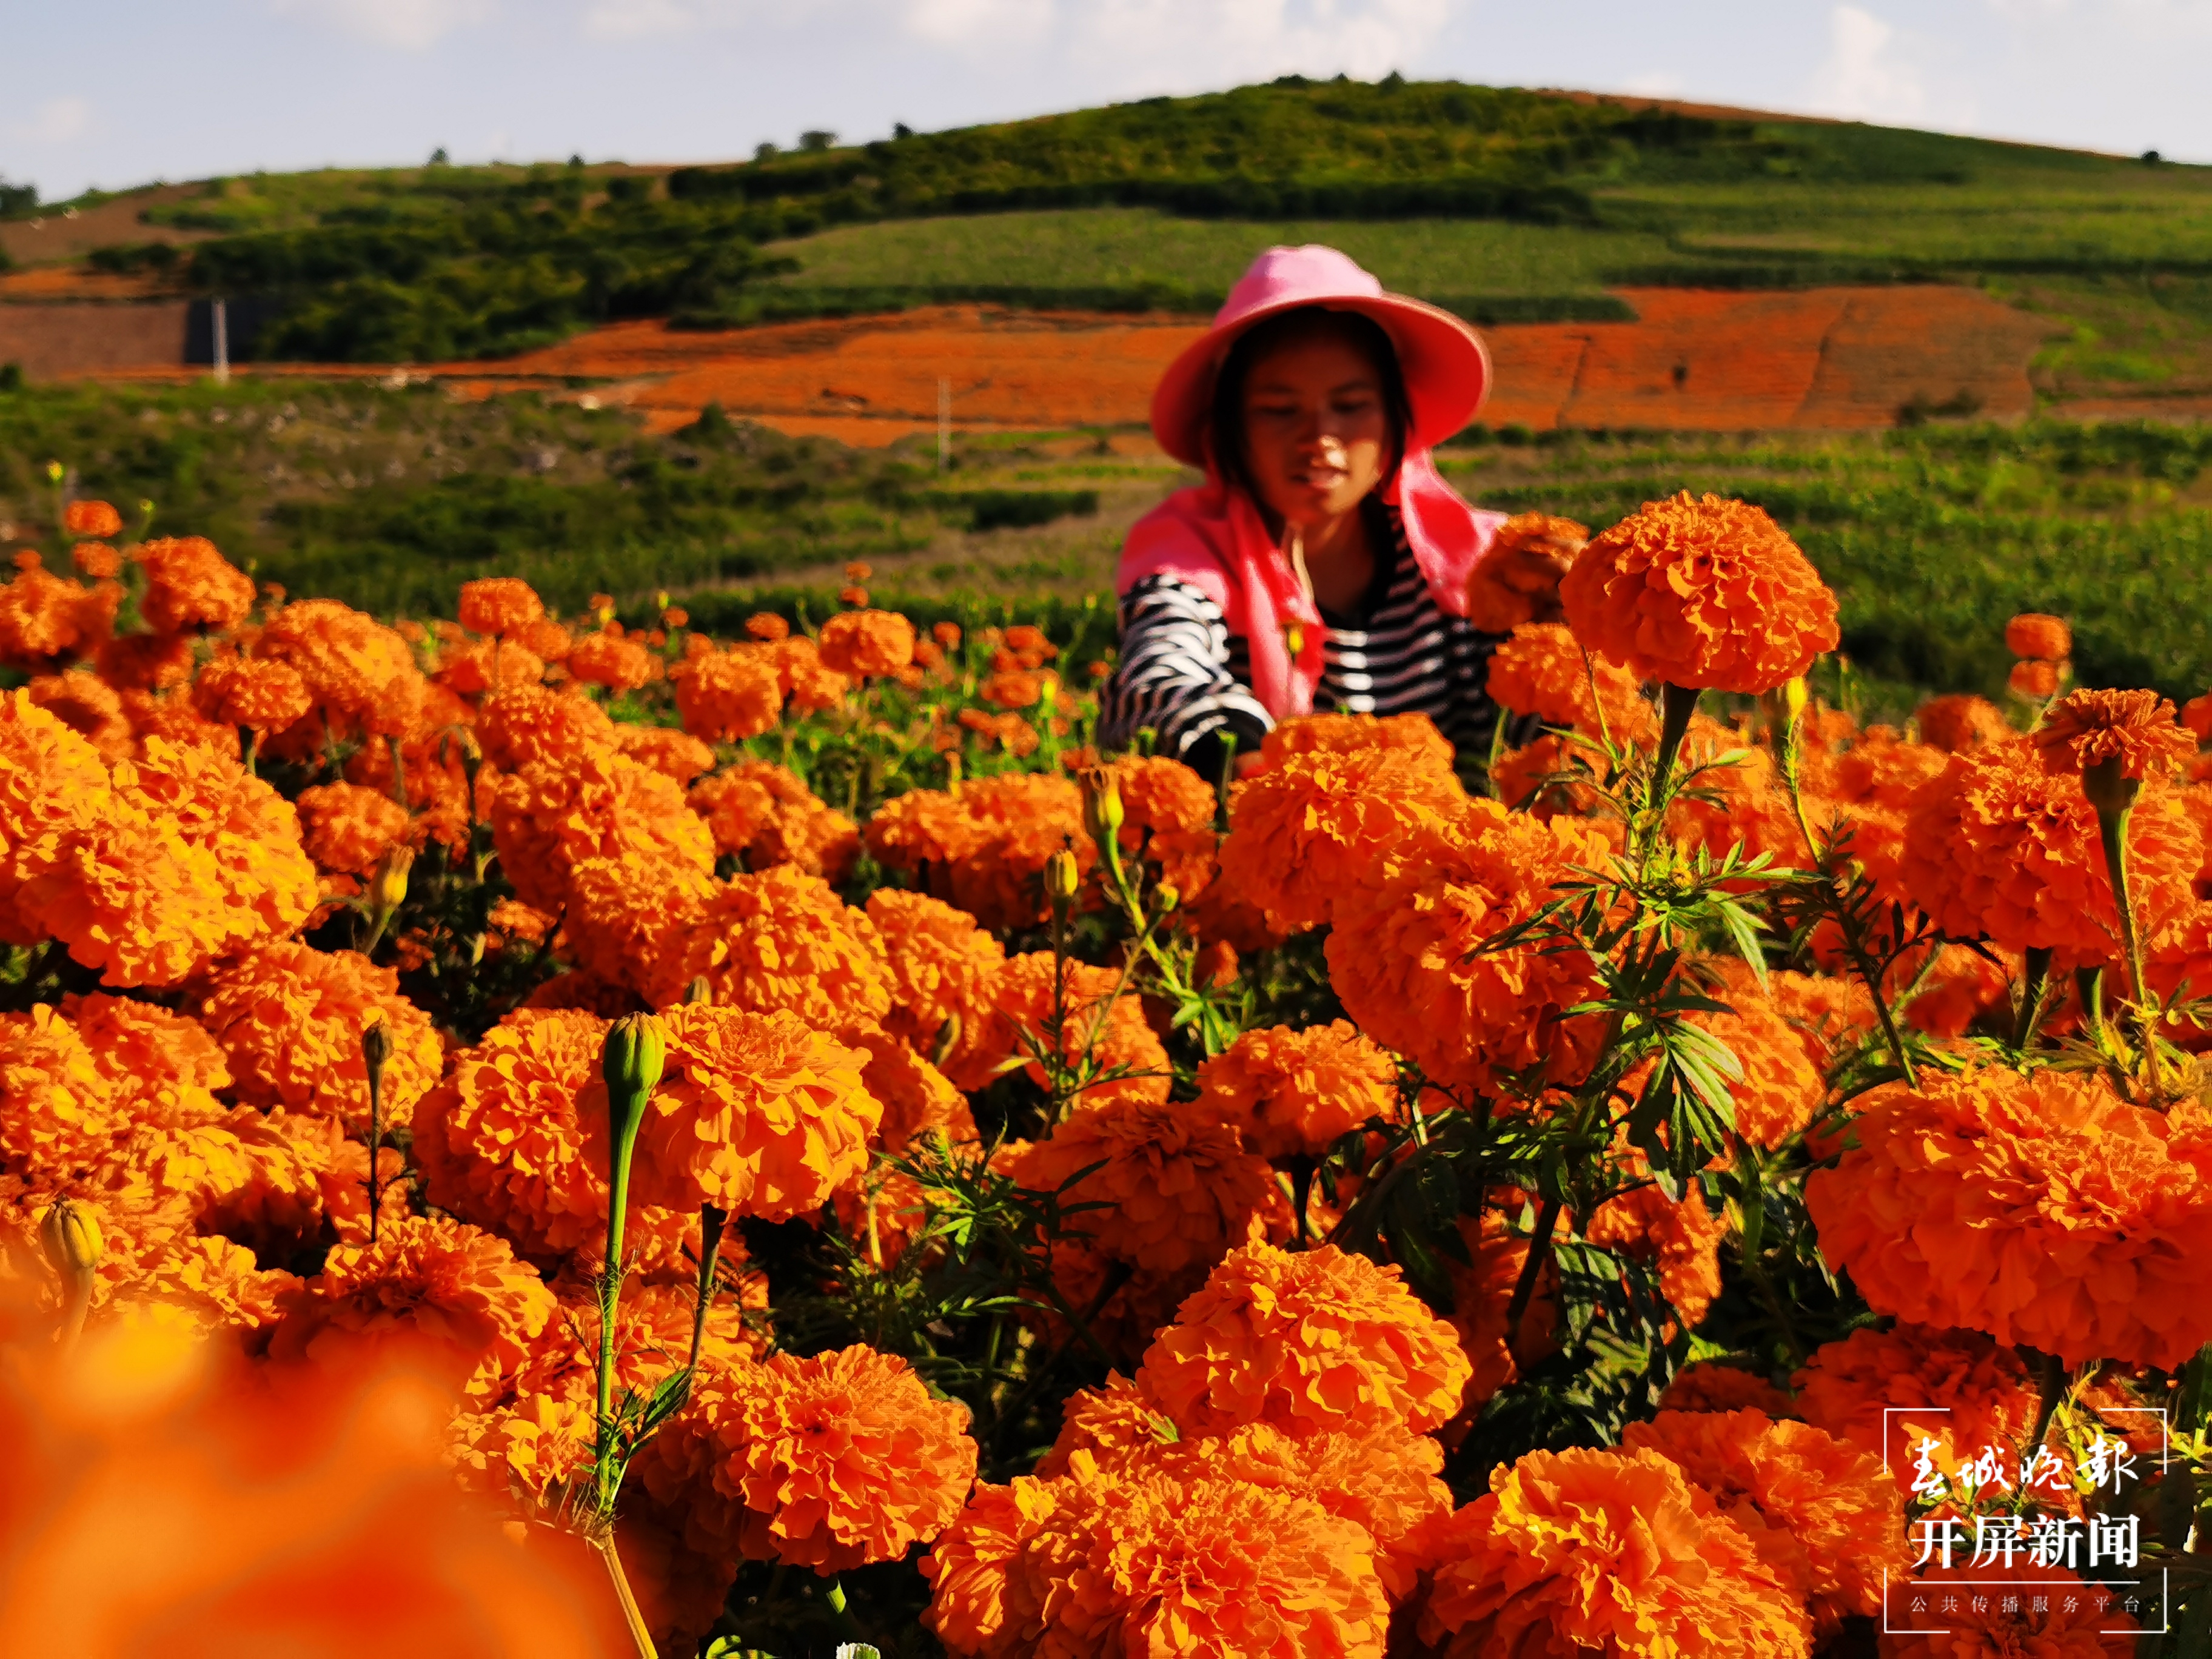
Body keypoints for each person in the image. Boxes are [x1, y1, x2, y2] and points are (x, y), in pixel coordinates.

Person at [1098, 244, 1575, 779]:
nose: (1320, 438)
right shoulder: (1189, 555)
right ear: (1232, 428)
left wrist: (1577, 629)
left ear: (1395, 420)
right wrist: (1262, 776)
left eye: (1350, 406)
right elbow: (1161, 675)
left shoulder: (1484, 563)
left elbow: (1551, 736)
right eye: (1280, 410)